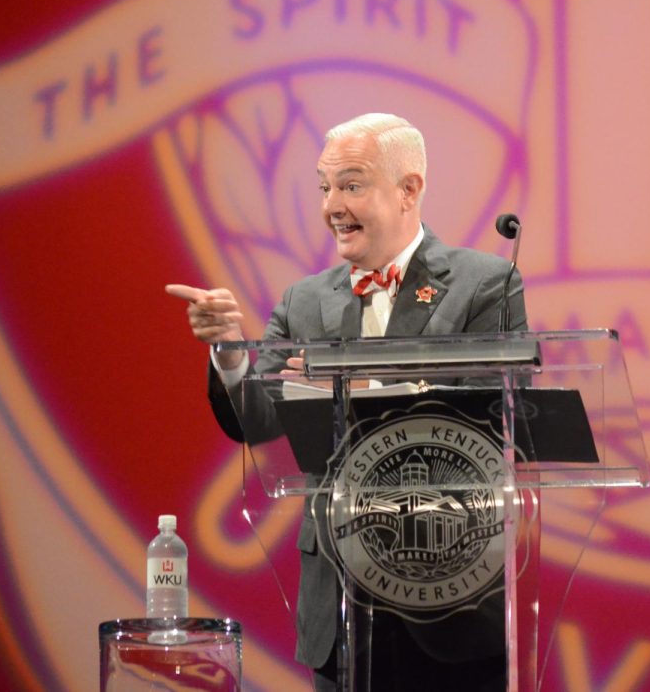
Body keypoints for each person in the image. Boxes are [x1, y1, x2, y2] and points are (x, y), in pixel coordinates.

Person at [167, 113, 526, 691]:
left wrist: (350, 386)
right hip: (338, 599)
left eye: (351, 185)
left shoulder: (485, 284)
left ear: (409, 190)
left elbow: (498, 411)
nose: (332, 204)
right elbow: (253, 419)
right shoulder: (304, 301)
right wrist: (230, 351)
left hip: (451, 595)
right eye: (324, 187)